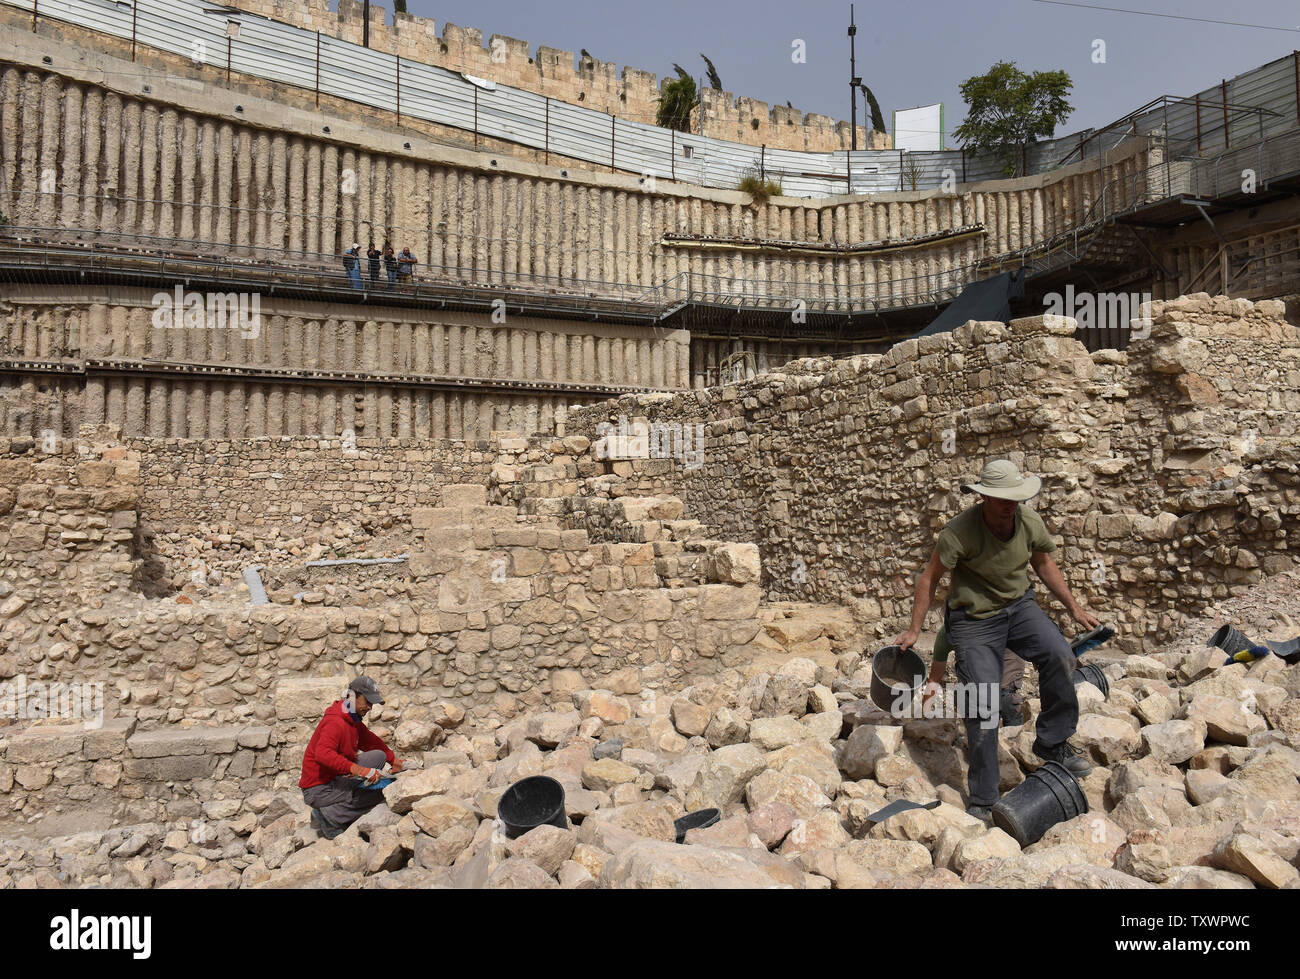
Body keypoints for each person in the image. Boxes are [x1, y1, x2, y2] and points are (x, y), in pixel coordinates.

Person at [894, 459, 1099, 822]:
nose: (1010, 505)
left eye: (1015, 498)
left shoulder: (1028, 521)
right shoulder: (959, 532)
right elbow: (929, 579)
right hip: (974, 619)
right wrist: (913, 631)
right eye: (1003, 499)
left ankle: (1052, 743)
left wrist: (1074, 609)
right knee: (982, 696)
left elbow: (1045, 564)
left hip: (1019, 607)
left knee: (1060, 654)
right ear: (984, 497)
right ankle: (985, 797)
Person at [299, 675, 405, 839]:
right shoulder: (335, 722)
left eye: (372, 703)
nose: (370, 707)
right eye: (367, 702)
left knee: (379, 756)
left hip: (335, 776)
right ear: (352, 696)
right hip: (318, 788)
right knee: (378, 794)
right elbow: (323, 754)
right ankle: (329, 817)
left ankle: (332, 808)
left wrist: (393, 760)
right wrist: (360, 771)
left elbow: (370, 741)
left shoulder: (352, 718)